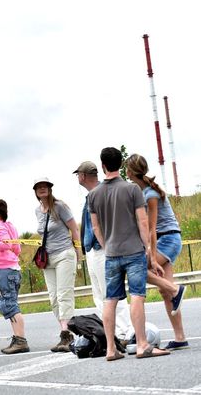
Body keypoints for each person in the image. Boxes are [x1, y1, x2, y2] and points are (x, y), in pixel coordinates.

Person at [89, 147, 170, 360]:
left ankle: (110, 349)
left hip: (111, 253)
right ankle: (142, 344)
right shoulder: (132, 189)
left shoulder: (94, 194)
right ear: (120, 164)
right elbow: (143, 222)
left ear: (103, 165)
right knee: (136, 296)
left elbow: (96, 227)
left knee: (110, 299)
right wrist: (149, 249)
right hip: (133, 251)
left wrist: (106, 246)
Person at [125, 154, 187, 350]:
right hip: (165, 239)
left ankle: (177, 290)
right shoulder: (145, 191)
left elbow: (151, 228)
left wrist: (151, 255)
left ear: (129, 172)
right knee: (164, 290)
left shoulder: (150, 194)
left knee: (139, 271)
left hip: (168, 239)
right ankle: (180, 337)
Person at [74, 161, 132, 340]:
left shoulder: (101, 193)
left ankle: (125, 330)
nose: (77, 178)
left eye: (78, 175)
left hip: (103, 249)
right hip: (93, 249)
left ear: (83, 176)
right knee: (99, 294)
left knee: (111, 291)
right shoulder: (93, 194)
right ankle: (111, 332)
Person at [33, 177, 81, 352]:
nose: (42, 189)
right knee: (53, 299)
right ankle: (66, 331)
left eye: (45, 186)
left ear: (50, 189)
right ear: (35, 191)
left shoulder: (60, 206)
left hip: (64, 254)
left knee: (64, 295)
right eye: (39, 187)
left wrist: (78, 252)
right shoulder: (38, 211)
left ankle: (66, 334)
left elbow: (74, 229)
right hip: (48, 258)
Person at [0, 199, 30, 354]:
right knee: (12, 303)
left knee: (9, 304)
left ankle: (21, 340)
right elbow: (17, 248)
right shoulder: (11, 226)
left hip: (3, 270)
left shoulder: (0, 227)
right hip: (13, 268)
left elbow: (6, 243)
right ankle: (18, 338)